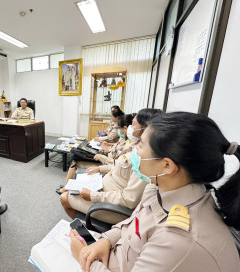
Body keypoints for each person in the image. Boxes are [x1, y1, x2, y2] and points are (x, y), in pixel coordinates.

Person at [70, 112, 240, 272]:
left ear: (167, 165)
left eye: (141, 145)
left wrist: (83, 256)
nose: (134, 149)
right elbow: (133, 223)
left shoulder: (179, 240)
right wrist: (107, 239)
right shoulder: (158, 187)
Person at [60, 109, 163, 224]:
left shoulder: (146, 158)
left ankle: (89, 231)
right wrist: (99, 169)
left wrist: (93, 196)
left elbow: (129, 199)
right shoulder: (135, 146)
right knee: (74, 187)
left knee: (64, 197)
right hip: (103, 188)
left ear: (146, 129)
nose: (129, 128)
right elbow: (119, 166)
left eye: (133, 124)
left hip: (114, 205)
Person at [56, 114, 135, 195]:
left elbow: (115, 163)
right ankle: (68, 185)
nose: (118, 130)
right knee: (80, 151)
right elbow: (117, 147)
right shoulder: (125, 138)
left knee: (75, 161)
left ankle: (67, 187)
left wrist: (102, 157)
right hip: (106, 156)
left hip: (105, 160)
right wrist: (108, 146)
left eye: (119, 128)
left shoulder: (130, 146)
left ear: (125, 128)